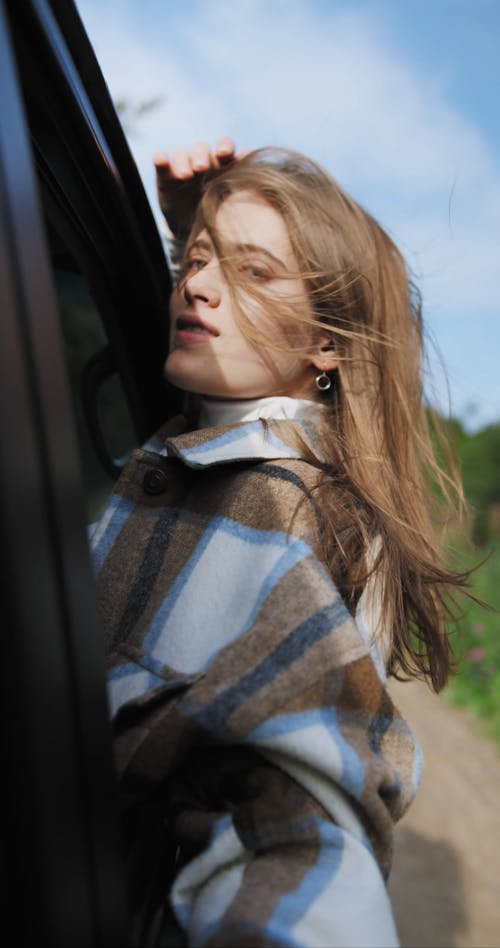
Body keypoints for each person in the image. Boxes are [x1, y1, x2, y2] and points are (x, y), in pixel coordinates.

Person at [91, 139, 469, 947]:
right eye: (195, 261)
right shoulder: (221, 450)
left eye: (252, 272)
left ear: (327, 346)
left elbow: (300, 825)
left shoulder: (280, 510)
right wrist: (184, 225)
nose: (196, 284)